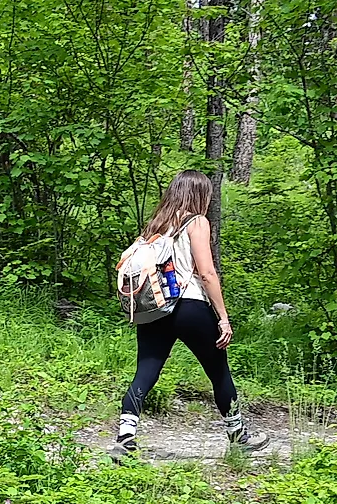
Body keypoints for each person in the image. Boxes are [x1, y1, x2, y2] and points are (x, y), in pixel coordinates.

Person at [114, 170, 272, 455]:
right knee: (218, 371)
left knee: (147, 370)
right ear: (200, 195)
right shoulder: (196, 222)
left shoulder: (155, 225)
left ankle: (126, 434)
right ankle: (238, 437)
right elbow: (207, 273)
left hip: (157, 308)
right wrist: (223, 318)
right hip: (190, 306)